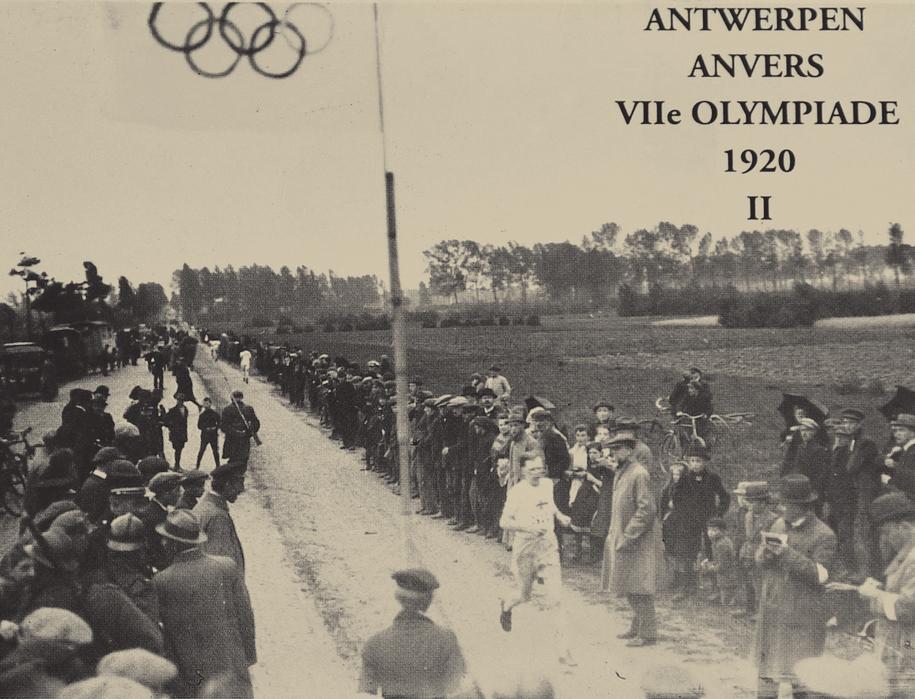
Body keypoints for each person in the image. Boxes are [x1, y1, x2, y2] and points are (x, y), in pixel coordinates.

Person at [153, 510, 256, 698]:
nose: (162, 542)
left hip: (194, 676)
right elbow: (245, 615)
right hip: (232, 667)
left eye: (166, 539)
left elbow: (167, 634)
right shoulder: (226, 566)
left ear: (174, 543)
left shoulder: (162, 580)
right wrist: (247, 658)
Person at [754, 474, 837, 699]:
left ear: (802, 506)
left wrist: (786, 553)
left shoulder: (824, 535)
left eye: (785, 504)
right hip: (773, 610)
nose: (781, 508)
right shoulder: (778, 524)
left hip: (802, 617)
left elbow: (821, 575)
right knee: (766, 673)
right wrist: (764, 555)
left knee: (801, 676)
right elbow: (760, 561)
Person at [499, 455, 575, 665]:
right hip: (525, 547)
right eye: (532, 469)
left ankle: (563, 651)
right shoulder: (517, 492)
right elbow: (504, 522)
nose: (537, 473)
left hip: (547, 546)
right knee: (524, 596)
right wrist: (528, 527)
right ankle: (507, 605)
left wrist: (560, 516)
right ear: (523, 471)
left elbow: (549, 506)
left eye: (540, 469)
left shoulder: (547, 484)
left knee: (555, 598)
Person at [837, 492, 915, 695]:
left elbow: (908, 608)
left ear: (904, 527)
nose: (885, 539)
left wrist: (874, 595)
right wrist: (880, 589)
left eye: (887, 533)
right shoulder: (905, 555)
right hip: (899, 647)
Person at [358, 568, 467, 698]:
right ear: (427, 600)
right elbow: (456, 686)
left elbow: (366, 692)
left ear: (398, 598)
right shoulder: (445, 638)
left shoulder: (375, 642)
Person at [601, 433, 662, 648]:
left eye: (617, 449)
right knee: (629, 584)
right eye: (612, 450)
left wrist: (629, 535)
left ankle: (648, 634)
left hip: (637, 541)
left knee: (639, 587)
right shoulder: (622, 471)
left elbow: (647, 509)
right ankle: (636, 626)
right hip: (622, 536)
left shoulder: (638, 474)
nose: (613, 454)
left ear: (629, 450)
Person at [194, 461, 246, 577]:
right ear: (228, 484)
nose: (241, 489)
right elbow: (221, 563)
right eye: (239, 484)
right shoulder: (218, 517)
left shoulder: (206, 505)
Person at [733, 482, 776, 620]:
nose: (749, 505)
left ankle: (761, 612)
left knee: (761, 584)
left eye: (753, 502)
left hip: (762, 554)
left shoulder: (772, 519)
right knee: (748, 582)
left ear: (763, 503)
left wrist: (764, 555)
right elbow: (747, 536)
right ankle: (749, 608)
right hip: (747, 552)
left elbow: (771, 542)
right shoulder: (748, 516)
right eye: (749, 502)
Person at [700, 518, 739, 606]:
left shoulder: (721, 544)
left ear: (722, 531)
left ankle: (728, 600)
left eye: (714, 530)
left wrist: (710, 567)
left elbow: (723, 565)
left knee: (726, 601)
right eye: (709, 529)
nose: (710, 532)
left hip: (727, 576)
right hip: (726, 573)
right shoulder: (719, 541)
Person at [220, 390, 260, 470]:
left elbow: (223, 426)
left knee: (232, 461)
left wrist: (235, 432)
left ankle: (234, 479)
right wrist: (247, 433)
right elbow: (256, 424)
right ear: (242, 397)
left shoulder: (227, 409)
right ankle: (240, 478)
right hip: (244, 439)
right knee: (243, 460)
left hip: (232, 439)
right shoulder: (248, 408)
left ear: (232, 398)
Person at [885, 413, 915, 501]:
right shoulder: (905, 450)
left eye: (901, 430)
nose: (897, 434)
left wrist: (888, 480)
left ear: (912, 433)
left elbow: (910, 479)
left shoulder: (912, 451)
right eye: (895, 431)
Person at [163, 393, 189, 469]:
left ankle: (177, 464)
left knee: (180, 449)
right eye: (179, 400)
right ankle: (176, 465)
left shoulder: (186, 410)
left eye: (182, 400)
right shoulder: (172, 410)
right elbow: (166, 421)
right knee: (177, 449)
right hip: (175, 433)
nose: (180, 402)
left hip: (182, 433)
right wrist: (171, 426)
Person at [196, 396, 221, 469]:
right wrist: (206, 428)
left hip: (213, 435)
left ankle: (218, 466)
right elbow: (199, 425)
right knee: (201, 450)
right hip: (205, 435)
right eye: (205, 403)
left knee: (215, 451)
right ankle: (197, 466)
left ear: (210, 404)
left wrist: (214, 428)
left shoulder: (215, 414)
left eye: (207, 403)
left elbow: (220, 423)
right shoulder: (202, 415)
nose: (206, 405)